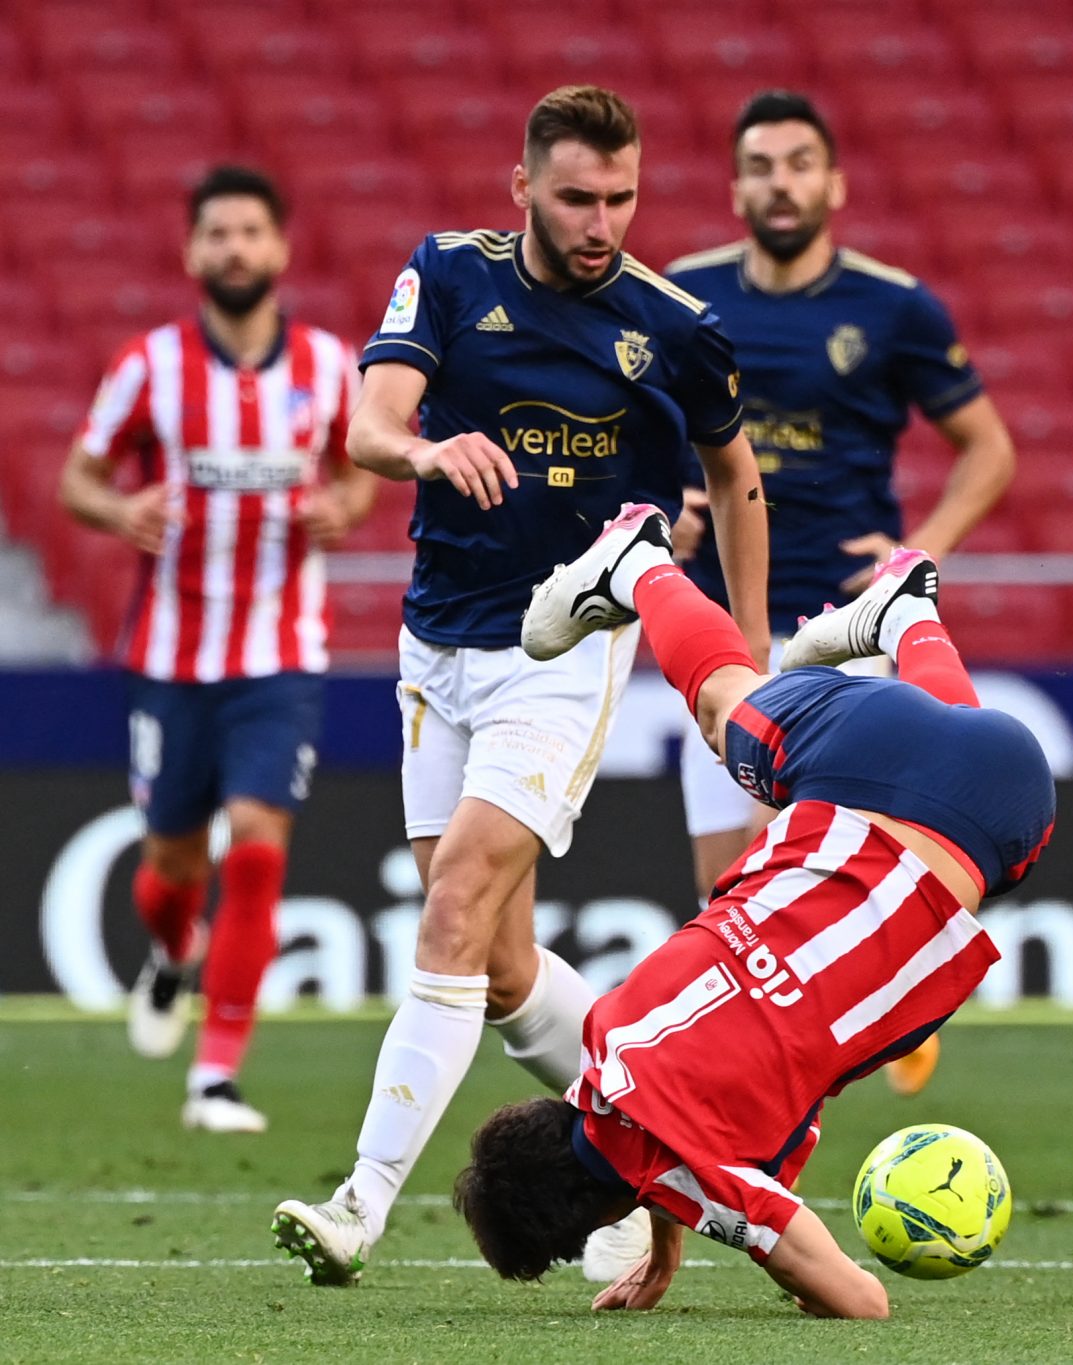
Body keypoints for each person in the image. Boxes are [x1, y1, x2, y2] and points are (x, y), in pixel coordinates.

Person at [271, 86, 770, 1287]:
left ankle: (360, 1204)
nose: (601, 221)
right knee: (494, 966)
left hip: (565, 648)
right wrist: (428, 449)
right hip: (436, 642)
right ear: (523, 188)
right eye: (576, 197)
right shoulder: (447, 275)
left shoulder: (676, 327)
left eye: (622, 197)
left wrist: (745, 661)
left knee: (452, 900)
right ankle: (668, 1138)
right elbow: (367, 426)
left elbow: (737, 476)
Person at [452, 502, 1055, 1317]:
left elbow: (863, 1300)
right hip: (860, 742)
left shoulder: (705, 1173)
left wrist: (763, 1254)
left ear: (594, 1218)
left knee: (966, 784)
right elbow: (640, 1126)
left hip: (1012, 794)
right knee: (723, 704)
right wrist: (667, 1231)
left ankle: (644, 564)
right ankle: (892, 612)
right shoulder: (608, 1030)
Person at [666, 90, 1016, 1097]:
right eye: (762, 166)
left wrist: (918, 552)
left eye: (799, 163)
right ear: (734, 186)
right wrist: (661, 503)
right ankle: (783, 1060)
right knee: (719, 879)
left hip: (841, 631)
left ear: (834, 183)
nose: (781, 182)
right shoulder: (681, 299)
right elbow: (633, 425)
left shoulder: (892, 306)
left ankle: (792, 1072)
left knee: (824, 866)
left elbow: (989, 450)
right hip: (728, 623)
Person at [57, 165, 374, 1133]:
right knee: (171, 870)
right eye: (218, 235)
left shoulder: (328, 365)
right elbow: (78, 476)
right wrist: (122, 509)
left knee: (260, 850)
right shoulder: (150, 366)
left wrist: (342, 508)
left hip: (280, 659)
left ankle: (216, 1080)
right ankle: (168, 954)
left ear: (280, 248)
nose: (235, 249)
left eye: (250, 233)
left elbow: (362, 474)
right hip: (169, 657)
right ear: (192, 252)